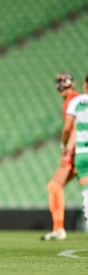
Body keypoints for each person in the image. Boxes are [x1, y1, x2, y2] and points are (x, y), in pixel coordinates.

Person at [41, 73, 79, 241]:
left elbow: (74, 129)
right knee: (54, 186)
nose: (62, 86)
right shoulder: (74, 100)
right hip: (78, 151)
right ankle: (58, 228)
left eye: (64, 83)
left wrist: (67, 150)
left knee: (54, 186)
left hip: (78, 152)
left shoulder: (73, 101)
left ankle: (59, 228)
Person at [63, 75, 88, 234]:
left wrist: (65, 146)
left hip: (82, 153)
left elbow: (67, 129)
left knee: (87, 190)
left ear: (85, 85)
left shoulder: (76, 102)